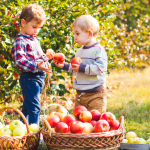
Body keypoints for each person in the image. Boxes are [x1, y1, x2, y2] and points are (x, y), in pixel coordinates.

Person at [54, 15, 108, 114]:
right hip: (80, 95)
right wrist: (64, 66)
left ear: (89, 34)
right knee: (79, 122)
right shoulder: (79, 51)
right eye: (74, 33)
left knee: (95, 121)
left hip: (95, 95)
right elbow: (77, 68)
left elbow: (101, 68)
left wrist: (82, 68)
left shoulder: (98, 50)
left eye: (77, 33)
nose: (74, 37)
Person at [11, 4, 52, 125]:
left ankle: (23, 131)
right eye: (34, 26)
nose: (36, 30)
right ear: (23, 22)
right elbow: (19, 60)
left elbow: (37, 59)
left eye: (39, 28)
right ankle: (35, 134)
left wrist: (46, 58)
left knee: (28, 106)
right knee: (34, 107)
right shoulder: (20, 41)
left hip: (38, 78)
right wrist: (37, 66)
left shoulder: (34, 39)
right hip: (29, 78)